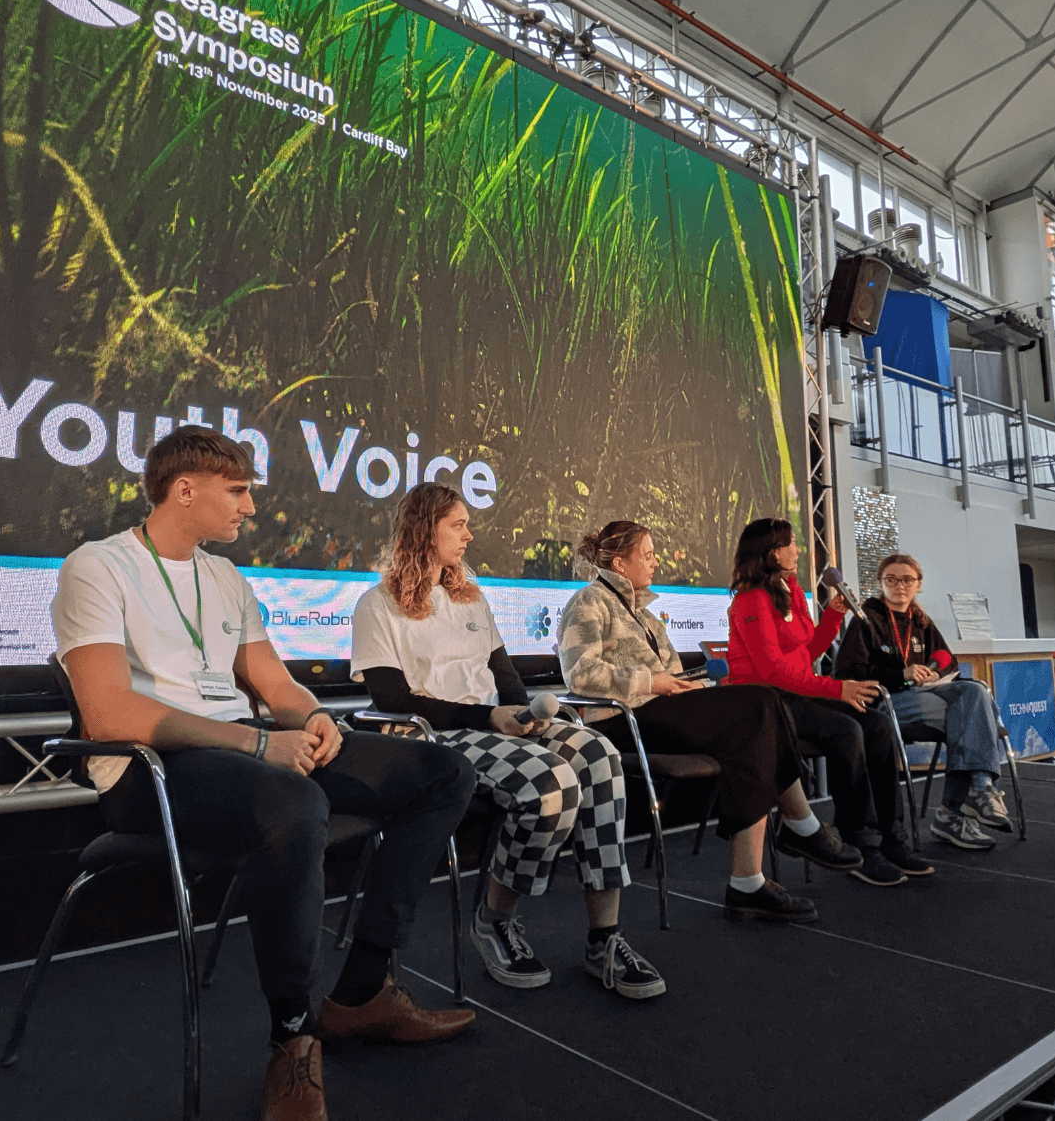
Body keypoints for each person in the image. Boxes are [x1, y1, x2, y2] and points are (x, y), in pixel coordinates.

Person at [52, 427, 478, 1121]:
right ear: (183, 490)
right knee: (293, 803)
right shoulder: (96, 567)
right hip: (149, 772)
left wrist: (312, 717)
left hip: (246, 753)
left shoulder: (225, 577)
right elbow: (107, 714)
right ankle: (292, 1036)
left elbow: (275, 684)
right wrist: (256, 744)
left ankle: (362, 991)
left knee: (443, 772)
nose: (250, 507)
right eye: (238, 491)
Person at [350, 483, 666, 1000]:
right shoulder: (377, 605)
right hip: (433, 738)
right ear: (424, 529)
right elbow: (391, 699)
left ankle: (604, 938)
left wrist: (523, 715)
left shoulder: (470, 597)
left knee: (599, 755)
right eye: (458, 525)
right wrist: (489, 717)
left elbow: (506, 677)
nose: (469, 535)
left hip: (491, 723)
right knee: (551, 781)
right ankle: (495, 919)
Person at [559, 521, 882, 917]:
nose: (656, 563)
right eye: (648, 555)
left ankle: (747, 883)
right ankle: (802, 826)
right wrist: (653, 681)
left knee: (753, 730)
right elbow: (580, 674)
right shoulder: (589, 602)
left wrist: (685, 686)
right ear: (620, 564)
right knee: (760, 702)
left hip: (659, 713)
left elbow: (672, 673)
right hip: (620, 722)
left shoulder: (647, 616)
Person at [722, 517, 931, 886]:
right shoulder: (750, 601)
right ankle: (861, 845)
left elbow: (808, 653)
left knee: (878, 724)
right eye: (791, 543)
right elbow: (771, 670)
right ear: (773, 553)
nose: (797, 549)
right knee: (846, 730)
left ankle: (891, 837)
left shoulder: (790, 591)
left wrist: (834, 616)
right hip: (766, 703)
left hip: (798, 692)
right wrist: (837, 689)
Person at [833, 553, 1012, 850]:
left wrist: (935, 673)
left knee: (975, 694)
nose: (899, 585)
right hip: (888, 702)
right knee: (973, 717)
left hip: (928, 696)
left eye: (907, 579)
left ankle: (976, 791)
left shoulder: (921, 621)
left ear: (918, 584)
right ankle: (958, 809)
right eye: (891, 579)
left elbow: (948, 660)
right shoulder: (866, 620)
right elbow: (847, 673)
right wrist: (900, 675)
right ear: (880, 583)